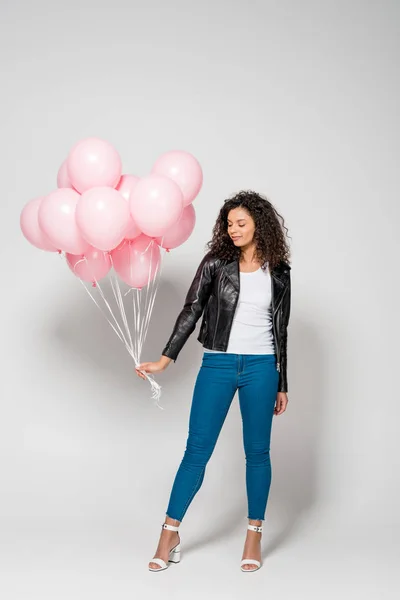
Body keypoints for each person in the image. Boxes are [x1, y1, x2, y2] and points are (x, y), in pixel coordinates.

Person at [135, 190, 291, 572]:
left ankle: (254, 533)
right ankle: (169, 532)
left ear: (260, 224)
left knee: (257, 453)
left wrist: (282, 382)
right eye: (229, 223)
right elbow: (192, 310)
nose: (233, 229)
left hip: (262, 367)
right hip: (218, 365)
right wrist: (165, 359)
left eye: (241, 223)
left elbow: (281, 329)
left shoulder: (280, 270)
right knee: (197, 450)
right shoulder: (216, 263)